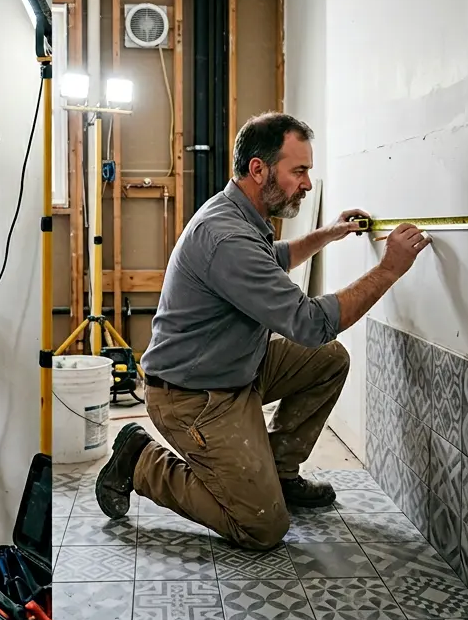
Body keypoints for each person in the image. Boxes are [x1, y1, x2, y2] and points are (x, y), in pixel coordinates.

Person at [94, 112, 431, 550]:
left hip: (237, 368)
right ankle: (139, 460)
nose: (306, 184)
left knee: (329, 361)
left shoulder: (240, 215)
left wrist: (329, 233)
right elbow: (310, 323)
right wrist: (388, 270)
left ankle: (280, 472)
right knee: (261, 527)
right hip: (193, 396)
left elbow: (277, 256)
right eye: (299, 171)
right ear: (258, 169)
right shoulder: (226, 237)